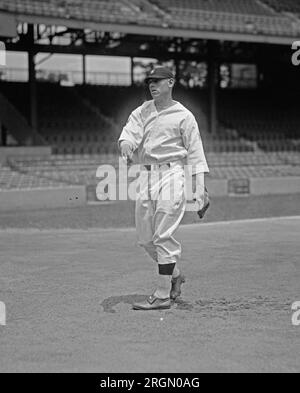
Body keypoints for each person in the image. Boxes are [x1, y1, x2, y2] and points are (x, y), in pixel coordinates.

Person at [118, 66, 209, 310]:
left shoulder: (184, 115)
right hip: (146, 176)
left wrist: (199, 188)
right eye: (150, 81)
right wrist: (126, 145)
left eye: (158, 80)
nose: (152, 84)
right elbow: (130, 133)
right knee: (146, 240)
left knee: (162, 236)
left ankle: (162, 294)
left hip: (172, 174)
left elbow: (195, 153)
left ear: (171, 82)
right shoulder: (142, 111)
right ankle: (175, 274)